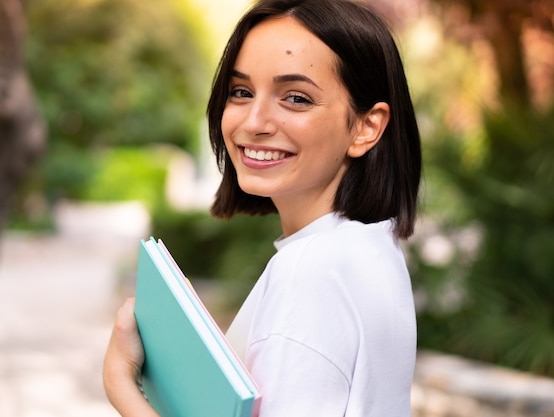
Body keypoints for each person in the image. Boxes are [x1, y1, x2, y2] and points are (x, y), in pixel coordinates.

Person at [103, 0, 422, 415]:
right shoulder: (371, 248)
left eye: (295, 98)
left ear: (367, 127)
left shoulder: (311, 271)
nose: (254, 121)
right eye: (241, 92)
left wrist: (123, 386)